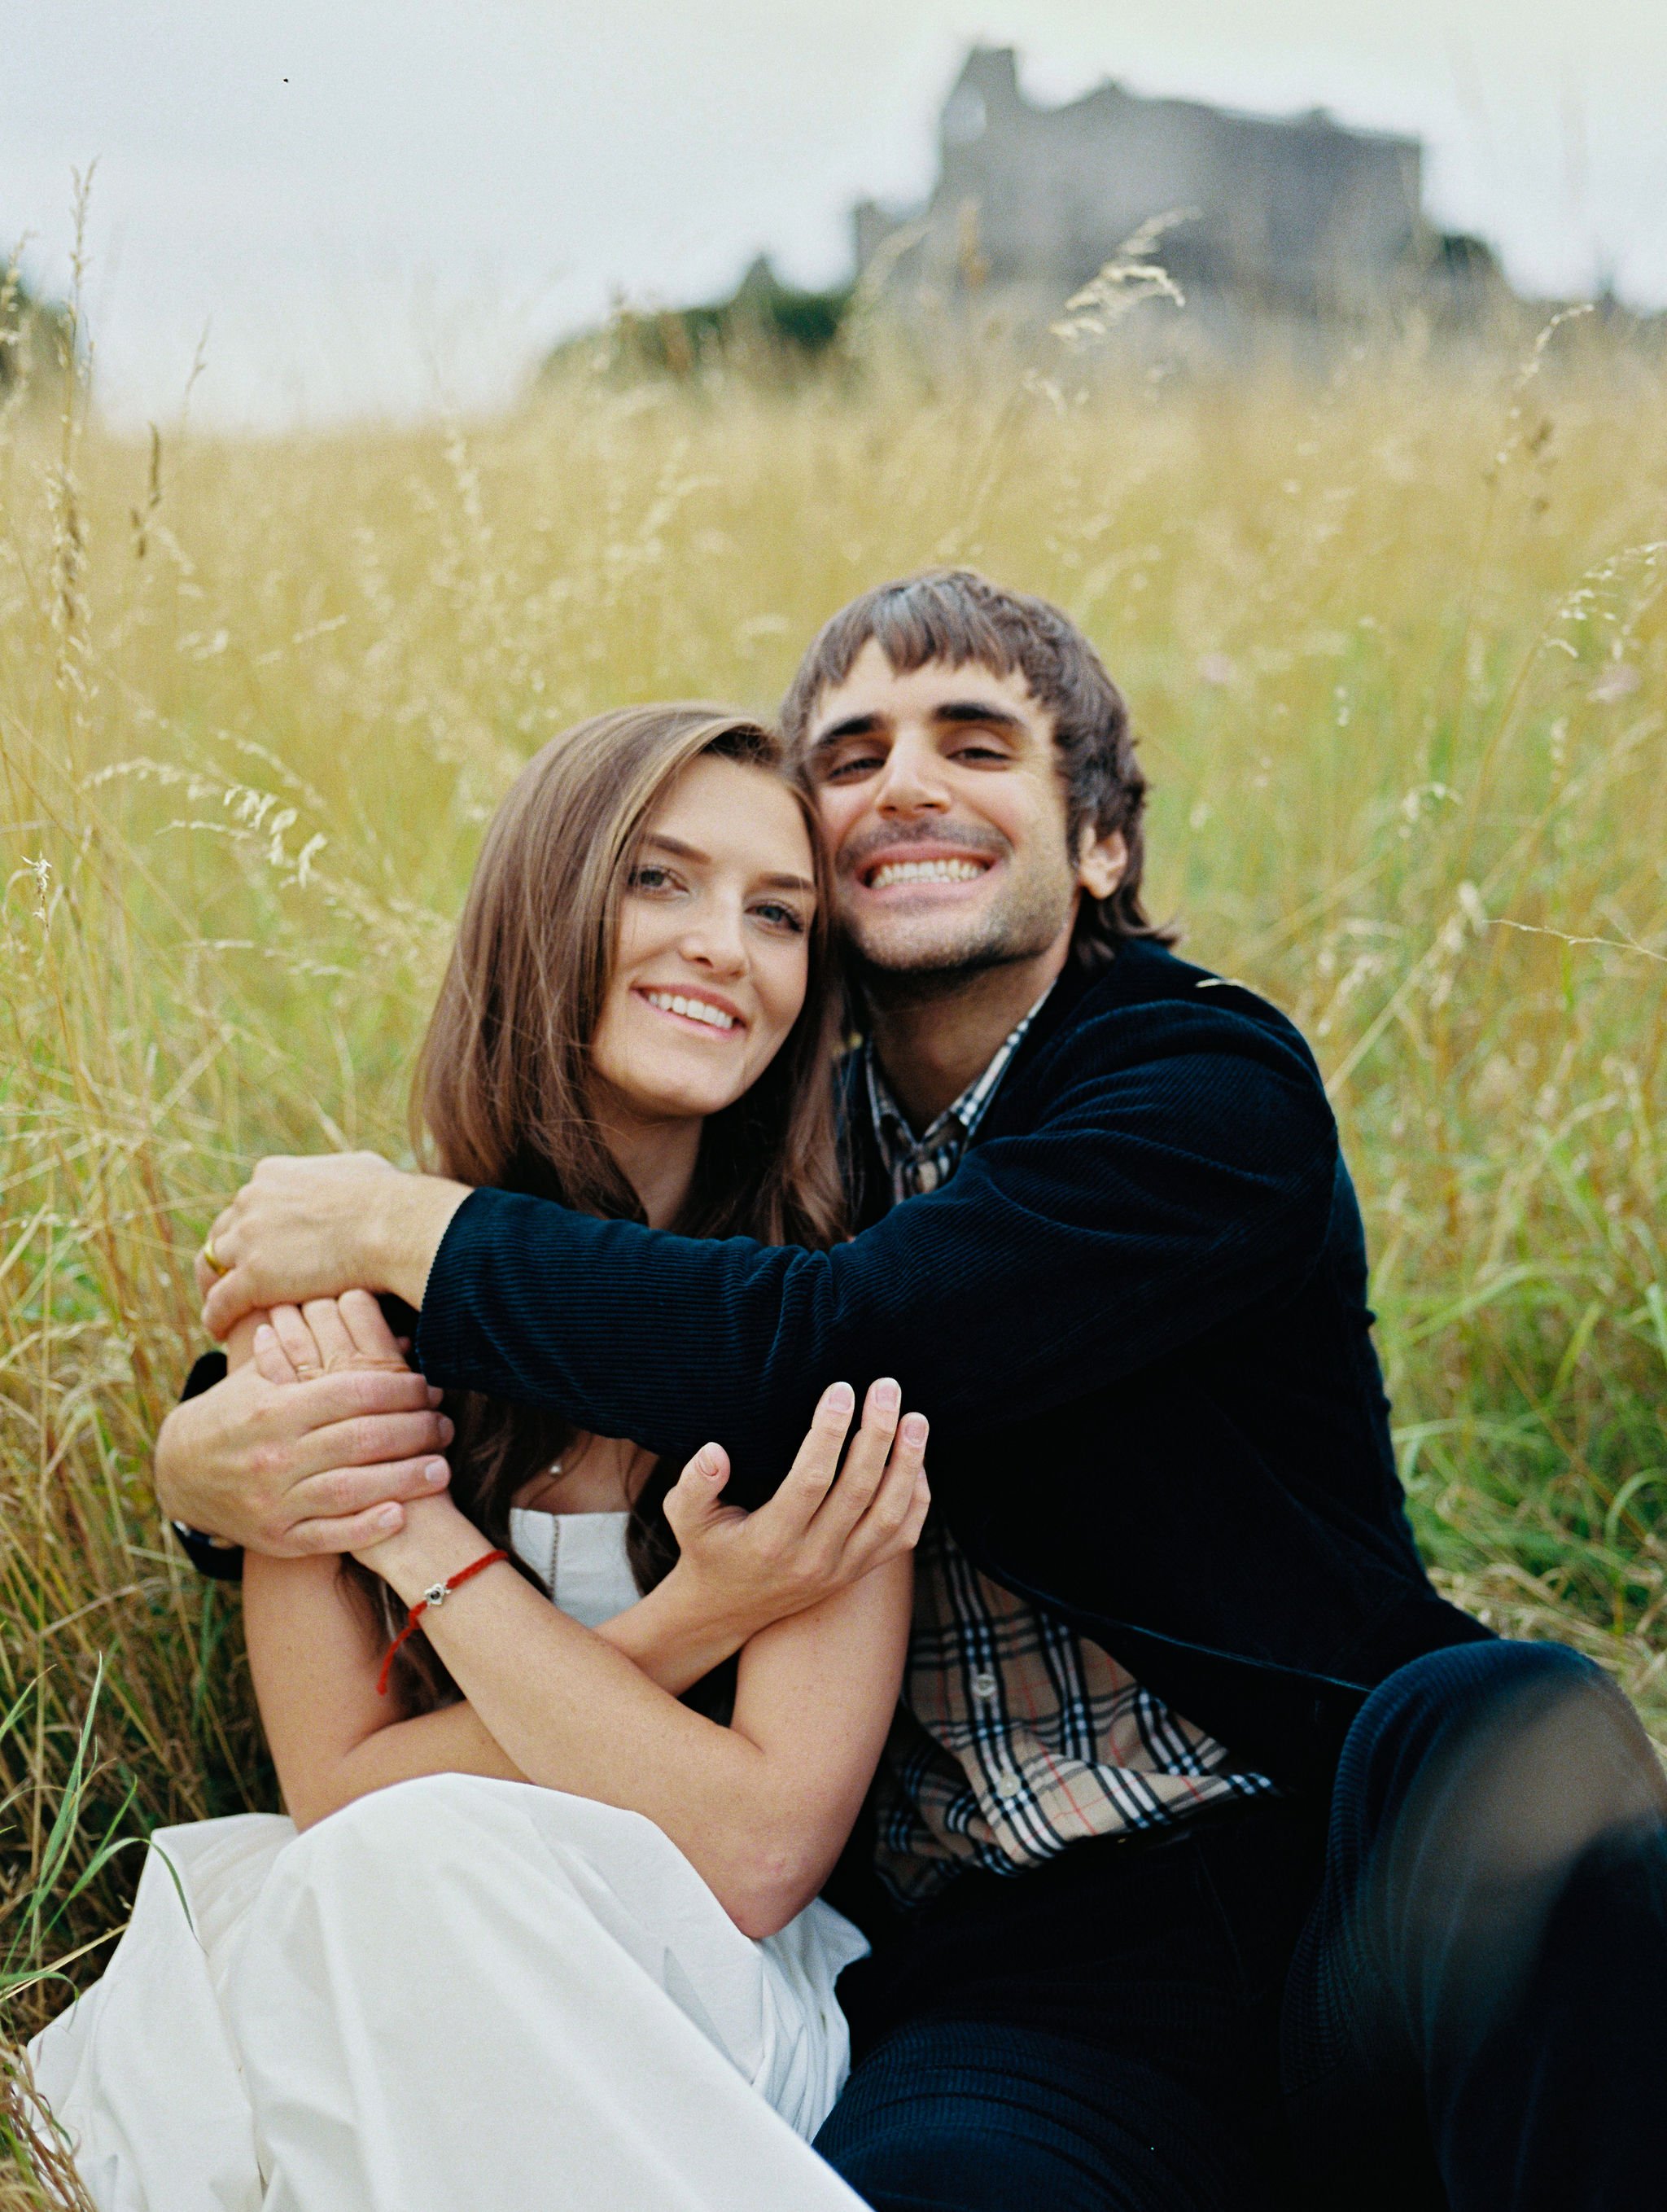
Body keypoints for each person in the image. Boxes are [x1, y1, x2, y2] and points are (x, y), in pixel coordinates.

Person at [160, 572, 1667, 2212]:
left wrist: (395, 1222)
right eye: (856, 753)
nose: (908, 785)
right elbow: (650, 1292)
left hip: (1327, 1862)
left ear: (1098, 843)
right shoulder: (792, 1171)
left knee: (1517, 1721)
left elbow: (840, 1340)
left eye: (976, 743)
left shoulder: (1196, 1090)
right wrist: (209, 1454)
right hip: (1018, 1971)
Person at [29, 705, 938, 2212]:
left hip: (700, 1997)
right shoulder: (336, 1318)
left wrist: (421, 1549)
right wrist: (694, 1622)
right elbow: (340, 1792)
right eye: (660, 880)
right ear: (548, 906)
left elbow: (755, 1849)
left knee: (409, 1884)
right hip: (391, 1923)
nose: (725, 943)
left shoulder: (816, 1324)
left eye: (779, 912)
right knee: (392, 1885)